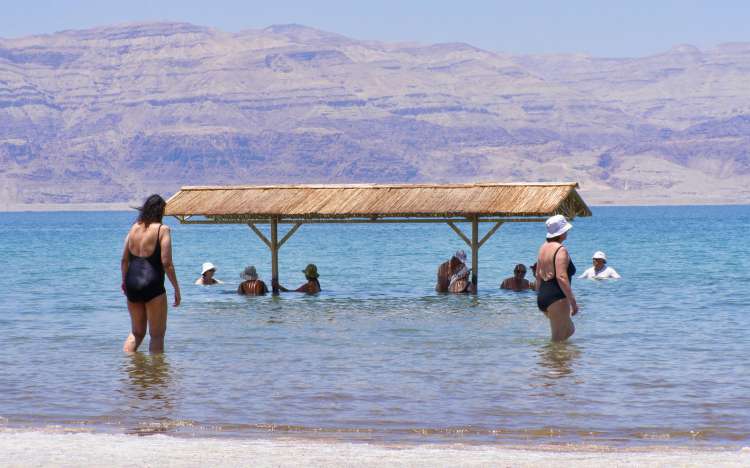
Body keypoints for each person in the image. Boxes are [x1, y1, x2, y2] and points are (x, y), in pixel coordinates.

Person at [121, 194, 180, 353]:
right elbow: (166, 263)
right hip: (153, 285)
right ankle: (156, 375)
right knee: (157, 335)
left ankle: (129, 368)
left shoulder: (133, 228)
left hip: (132, 283)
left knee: (136, 332)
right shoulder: (163, 230)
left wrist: (124, 282)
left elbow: (124, 260)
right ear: (161, 211)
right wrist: (176, 289)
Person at [535, 214, 578, 342]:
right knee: (557, 341)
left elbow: (538, 275)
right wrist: (573, 302)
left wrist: (540, 296)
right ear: (561, 233)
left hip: (543, 296)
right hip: (557, 297)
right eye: (566, 230)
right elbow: (561, 277)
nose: (568, 232)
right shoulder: (561, 250)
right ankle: (550, 361)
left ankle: (556, 360)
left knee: (569, 330)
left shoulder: (543, 248)